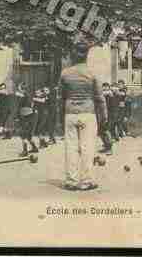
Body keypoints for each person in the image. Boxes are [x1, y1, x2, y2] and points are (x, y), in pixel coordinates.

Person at [59, 36, 107, 191]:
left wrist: (62, 116)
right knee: (88, 148)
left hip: (70, 113)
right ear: (87, 55)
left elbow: (61, 97)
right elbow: (100, 98)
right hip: (88, 113)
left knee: (71, 147)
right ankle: (86, 181)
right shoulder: (92, 74)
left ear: (74, 55)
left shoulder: (65, 74)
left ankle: (71, 181)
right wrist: (104, 116)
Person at [16, 82, 39, 156]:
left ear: (21, 89)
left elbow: (24, 109)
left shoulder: (23, 97)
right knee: (28, 135)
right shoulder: (28, 96)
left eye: (19, 88)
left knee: (23, 134)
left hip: (28, 116)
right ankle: (34, 148)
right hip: (32, 116)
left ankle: (25, 151)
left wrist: (18, 117)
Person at [98, 82, 114, 155]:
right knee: (101, 131)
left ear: (108, 87)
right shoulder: (103, 95)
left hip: (109, 115)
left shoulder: (110, 94)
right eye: (103, 87)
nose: (104, 88)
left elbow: (109, 92)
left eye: (106, 87)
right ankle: (106, 147)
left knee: (106, 131)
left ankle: (110, 148)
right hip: (102, 114)